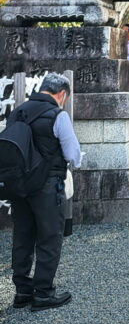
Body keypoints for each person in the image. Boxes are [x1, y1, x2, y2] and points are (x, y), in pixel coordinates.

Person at [6, 73, 82, 310]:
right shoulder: (58, 116)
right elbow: (73, 155)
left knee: (22, 236)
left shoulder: (18, 112)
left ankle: (22, 291)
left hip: (19, 186)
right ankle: (43, 293)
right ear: (62, 94)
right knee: (49, 237)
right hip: (47, 186)